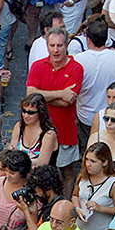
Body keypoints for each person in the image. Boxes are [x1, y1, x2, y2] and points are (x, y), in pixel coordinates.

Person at [26, 28, 85, 192]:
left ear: (66, 45)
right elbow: (30, 94)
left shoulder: (76, 68)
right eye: (52, 45)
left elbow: (68, 101)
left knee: (66, 171)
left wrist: (42, 97)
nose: (56, 50)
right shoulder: (38, 66)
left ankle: (65, 207)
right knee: (40, 171)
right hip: (40, 132)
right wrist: (60, 94)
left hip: (65, 131)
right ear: (47, 46)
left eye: (60, 45)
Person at [74, 19, 115, 153]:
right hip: (113, 116)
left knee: (89, 152)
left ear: (88, 39)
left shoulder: (79, 59)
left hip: (86, 116)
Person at [72, 143, 115, 230]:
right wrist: (77, 207)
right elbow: (74, 195)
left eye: (93, 161)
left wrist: (100, 208)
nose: (88, 164)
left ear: (104, 162)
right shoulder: (83, 176)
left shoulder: (114, 183)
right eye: (87, 160)